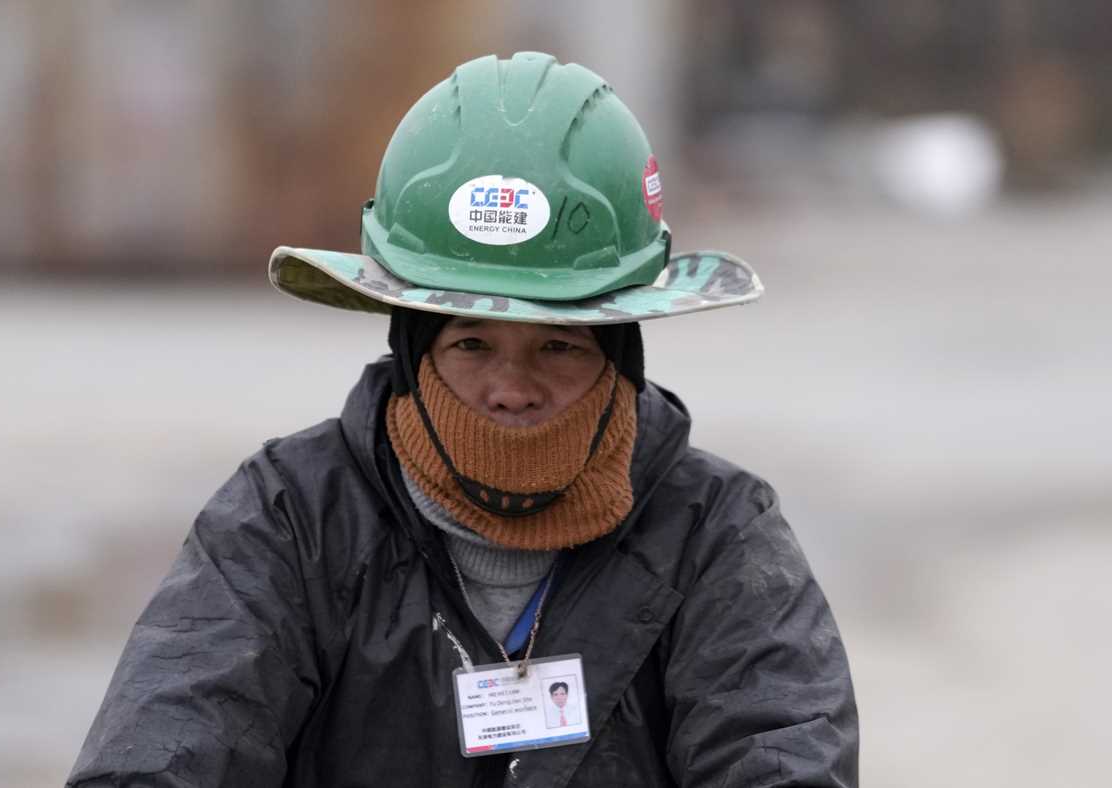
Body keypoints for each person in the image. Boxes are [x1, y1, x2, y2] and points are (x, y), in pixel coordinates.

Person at [68, 52, 858, 787]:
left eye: (559, 345)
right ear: (414, 350)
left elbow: (782, 758)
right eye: (471, 343)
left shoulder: (715, 533)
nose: (511, 390)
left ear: (621, 353)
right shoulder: (290, 518)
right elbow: (163, 746)